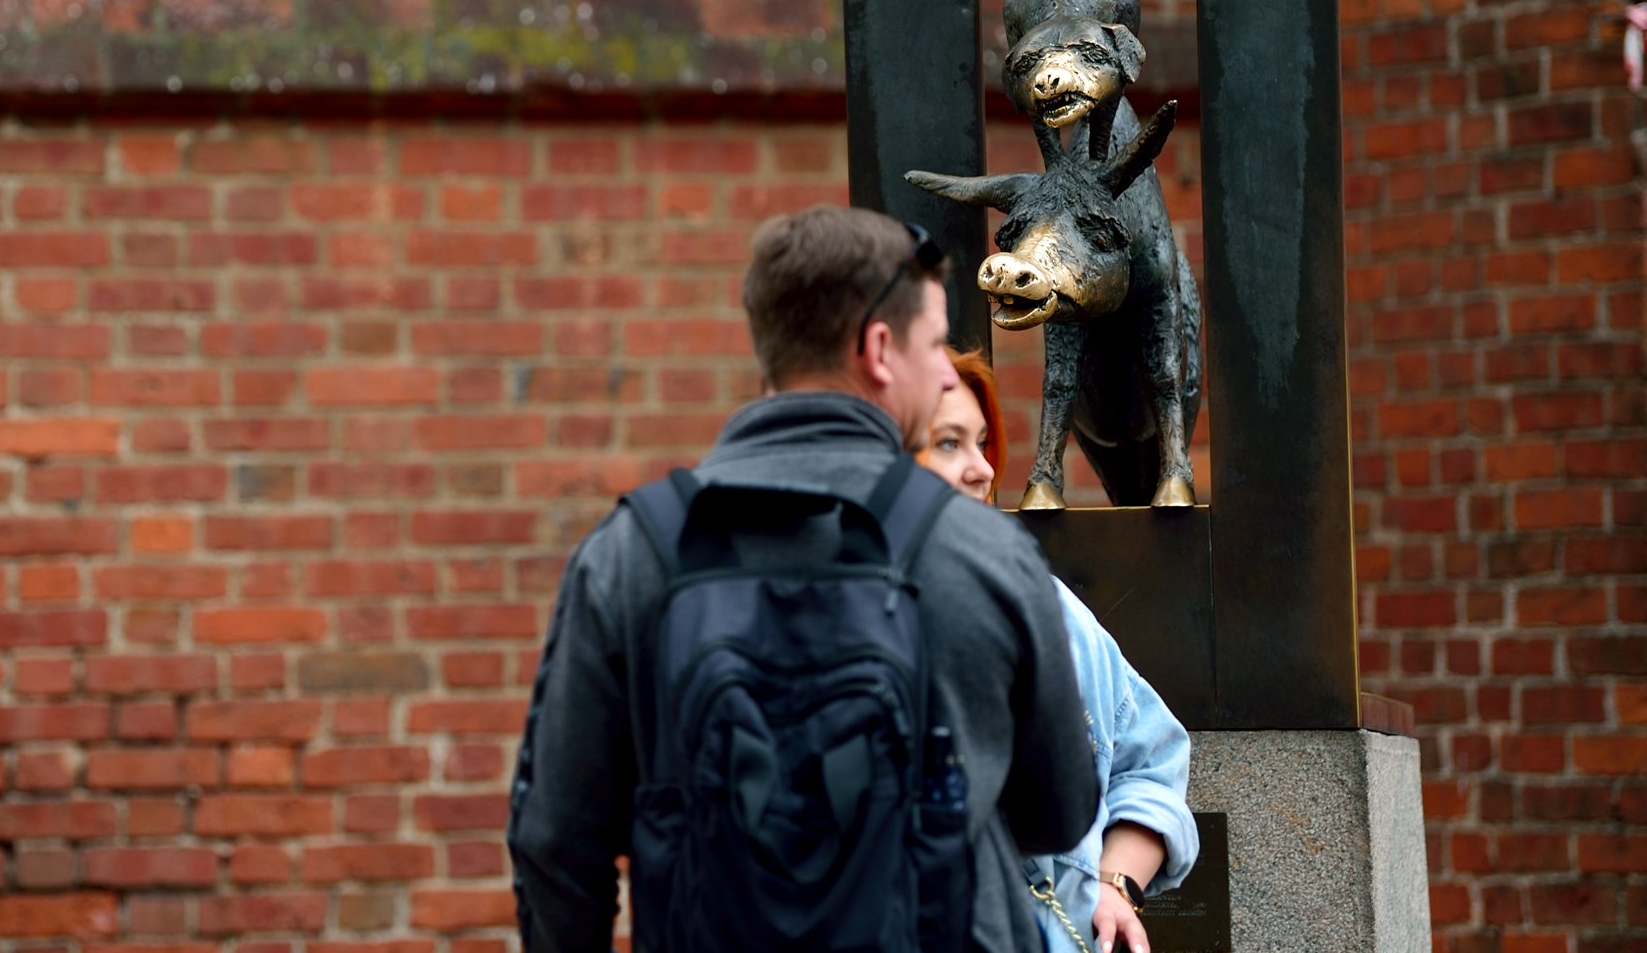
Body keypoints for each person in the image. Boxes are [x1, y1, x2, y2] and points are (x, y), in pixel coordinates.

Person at [509, 205, 1100, 953]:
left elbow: (556, 844)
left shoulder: (630, 554)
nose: (943, 373)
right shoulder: (982, 553)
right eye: (932, 344)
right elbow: (1060, 811)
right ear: (879, 350)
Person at [915, 352, 1199, 953]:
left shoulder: (1052, 608)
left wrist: (1114, 883)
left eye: (982, 443)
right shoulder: (848, 617)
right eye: (948, 443)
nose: (980, 469)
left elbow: (1152, 759)